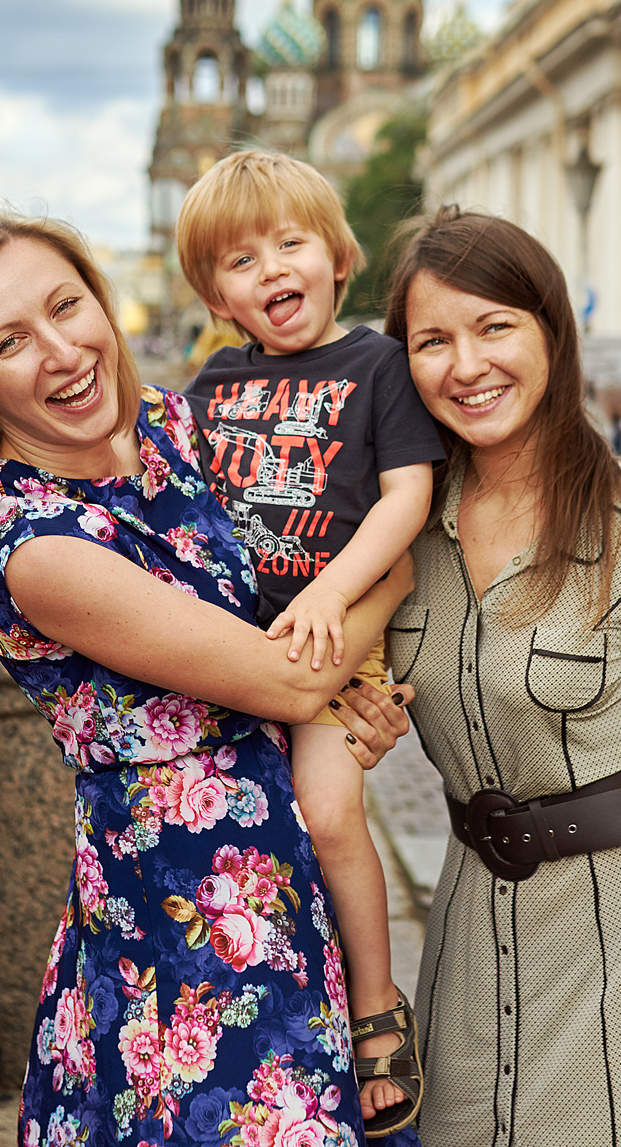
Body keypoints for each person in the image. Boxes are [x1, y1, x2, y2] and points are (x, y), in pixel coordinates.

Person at [0, 208, 418, 1145]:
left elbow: (298, 559)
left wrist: (354, 692)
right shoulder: (36, 545)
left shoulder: (169, 421)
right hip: (188, 924)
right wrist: (391, 580)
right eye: (10, 341)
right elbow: (280, 680)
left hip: (292, 874)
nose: (64, 350)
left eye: (66, 305)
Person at [384, 208, 621, 1146]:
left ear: (552, 333)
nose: (466, 365)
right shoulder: (396, 532)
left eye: (495, 326)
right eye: (432, 340)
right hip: (473, 928)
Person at [174, 150, 443, 1132]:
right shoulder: (211, 383)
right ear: (213, 294)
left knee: (329, 817)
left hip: (330, 649)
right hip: (232, 655)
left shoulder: (376, 366)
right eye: (239, 261)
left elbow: (406, 499)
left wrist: (331, 590)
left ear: (337, 254)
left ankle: (374, 1003)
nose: (270, 270)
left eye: (289, 243)